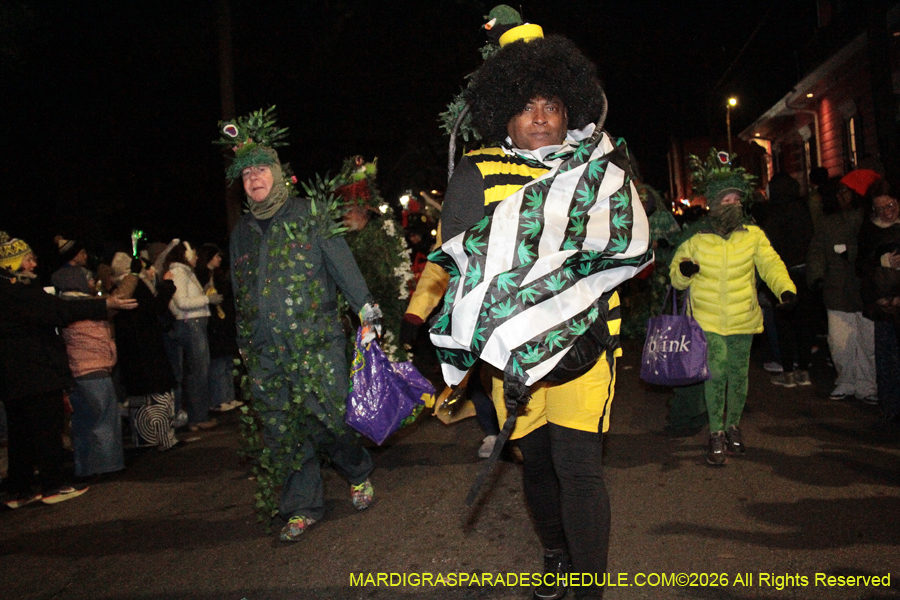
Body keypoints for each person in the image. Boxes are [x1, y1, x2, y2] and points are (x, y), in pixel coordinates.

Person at [432, 30, 652, 600]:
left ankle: (589, 585)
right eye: (526, 106)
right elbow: (462, 264)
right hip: (511, 359)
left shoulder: (599, 167)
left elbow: (626, 242)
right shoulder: (475, 173)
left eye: (551, 106)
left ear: (568, 111)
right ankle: (554, 550)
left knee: (581, 467)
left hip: (587, 345)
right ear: (503, 114)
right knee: (538, 463)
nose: (539, 117)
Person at [219, 107, 381, 541]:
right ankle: (302, 505)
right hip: (265, 349)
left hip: (316, 342)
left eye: (260, 170)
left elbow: (343, 268)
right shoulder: (242, 232)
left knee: (326, 418)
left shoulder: (310, 213)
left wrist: (367, 310)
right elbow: (240, 291)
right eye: (246, 173)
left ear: (276, 172)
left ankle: (356, 468)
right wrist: (244, 343)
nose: (253, 178)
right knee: (281, 428)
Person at [0, 232, 136, 508]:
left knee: (21, 433)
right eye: (28, 259)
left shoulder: (10, 291)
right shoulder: (17, 292)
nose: (34, 264)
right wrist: (104, 304)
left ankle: (20, 489)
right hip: (35, 371)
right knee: (45, 429)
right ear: (15, 264)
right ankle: (53, 485)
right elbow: (59, 311)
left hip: (12, 375)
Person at [671, 165, 796, 466]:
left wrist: (785, 290)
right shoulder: (697, 238)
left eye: (737, 200)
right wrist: (684, 271)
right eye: (727, 200)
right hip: (708, 320)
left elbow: (771, 265)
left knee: (739, 375)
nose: (734, 204)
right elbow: (676, 277)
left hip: (743, 319)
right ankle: (715, 431)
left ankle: (733, 426)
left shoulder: (752, 236)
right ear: (714, 203)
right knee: (717, 372)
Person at [806, 178, 876, 402]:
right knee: (839, 341)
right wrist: (816, 277)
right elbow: (817, 250)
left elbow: (872, 249)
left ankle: (867, 384)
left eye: (846, 192)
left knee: (867, 341)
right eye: (839, 192)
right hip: (836, 289)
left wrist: (850, 252)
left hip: (864, 290)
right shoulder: (829, 222)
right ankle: (846, 380)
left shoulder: (868, 220)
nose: (841, 196)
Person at [55, 262, 125, 479]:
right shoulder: (89, 306)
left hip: (75, 371)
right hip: (94, 368)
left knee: (83, 422)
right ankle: (108, 466)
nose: (93, 282)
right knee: (105, 419)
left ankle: (85, 468)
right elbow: (118, 303)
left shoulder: (61, 308)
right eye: (88, 278)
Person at [110, 252, 181, 451]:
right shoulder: (136, 286)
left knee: (140, 395)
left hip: (130, 351)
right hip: (147, 346)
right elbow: (154, 308)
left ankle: (144, 438)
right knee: (158, 392)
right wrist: (166, 287)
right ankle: (164, 438)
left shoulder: (118, 289)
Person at [758, 173, 815, 387]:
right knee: (803, 324)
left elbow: (768, 245)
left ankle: (788, 371)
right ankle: (804, 370)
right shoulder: (803, 210)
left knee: (784, 324)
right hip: (804, 271)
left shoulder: (776, 213)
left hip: (783, 274)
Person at [163, 241, 221, 430]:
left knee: (195, 372)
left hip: (193, 323)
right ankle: (198, 417)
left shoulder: (184, 272)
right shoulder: (179, 273)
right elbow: (181, 302)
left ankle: (193, 416)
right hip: (191, 324)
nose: (197, 258)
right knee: (198, 372)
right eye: (193, 254)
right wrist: (206, 299)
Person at [857, 178, 900, 420]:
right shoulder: (870, 230)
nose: (886, 213)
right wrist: (883, 262)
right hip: (884, 304)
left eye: (890, 206)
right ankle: (891, 410)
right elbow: (861, 267)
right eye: (880, 208)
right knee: (888, 361)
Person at [194, 243, 242, 414]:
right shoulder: (200, 276)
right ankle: (219, 399)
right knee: (218, 364)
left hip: (224, 322)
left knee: (228, 362)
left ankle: (229, 396)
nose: (219, 259)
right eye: (216, 256)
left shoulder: (219, 276)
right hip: (212, 324)